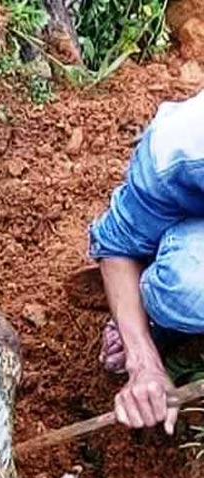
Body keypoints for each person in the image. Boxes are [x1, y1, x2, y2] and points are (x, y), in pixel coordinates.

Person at [90, 90, 204, 434]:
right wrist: (144, 365)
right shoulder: (182, 146)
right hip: (189, 225)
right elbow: (115, 245)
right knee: (186, 288)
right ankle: (154, 316)